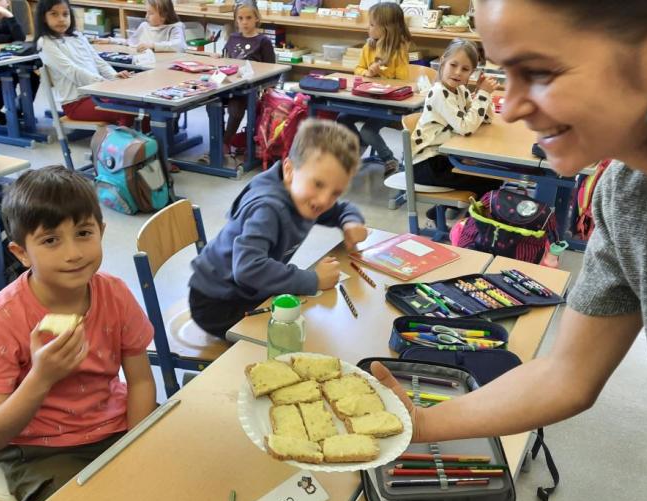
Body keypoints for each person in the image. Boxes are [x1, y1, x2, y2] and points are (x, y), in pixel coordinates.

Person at [371, 1, 647, 501]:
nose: (509, 105)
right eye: (504, 72)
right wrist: (419, 423)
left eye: (539, 71)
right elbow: (567, 374)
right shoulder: (634, 188)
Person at [0, 166, 157, 501]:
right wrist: (41, 377)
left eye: (83, 233)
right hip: (39, 450)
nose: (73, 253)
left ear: (101, 232)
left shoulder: (115, 294)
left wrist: (133, 444)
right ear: (21, 253)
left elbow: (139, 381)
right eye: (51, 240)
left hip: (116, 425)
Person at [188, 119, 369, 337]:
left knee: (312, 325)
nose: (323, 200)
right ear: (290, 169)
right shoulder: (268, 208)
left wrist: (351, 221)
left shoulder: (303, 192)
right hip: (219, 302)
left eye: (335, 193)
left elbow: (341, 209)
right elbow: (248, 269)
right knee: (297, 339)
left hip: (248, 289)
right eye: (319, 184)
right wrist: (313, 280)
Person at [410, 38, 502, 196]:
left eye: (465, 69)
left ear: (472, 73)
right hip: (426, 164)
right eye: (453, 65)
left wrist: (482, 93)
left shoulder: (461, 90)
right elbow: (465, 128)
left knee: (493, 175)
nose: (458, 72)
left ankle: (445, 211)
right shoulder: (439, 92)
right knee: (491, 181)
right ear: (443, 62)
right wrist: (483, 94)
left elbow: (485, 120)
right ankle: (470, 220)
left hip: (444, 156)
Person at [35, 0, 137, 126]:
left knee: (139, 103)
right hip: (77, 103)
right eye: (54, 14)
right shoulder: (45, 43)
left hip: (97, 92)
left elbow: (98, 61)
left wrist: (114, 76)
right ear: (43, 18)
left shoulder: (77, 36)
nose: (61, 19)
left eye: (65, 14)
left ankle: (152, 141)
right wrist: (104, 84)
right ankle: (130, 143)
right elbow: (72, 71)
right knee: (126, 110)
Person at [337, 1, 411, 175]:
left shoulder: (399, 50)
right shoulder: (367, 47)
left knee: (368, 130)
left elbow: (402, 79)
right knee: (342, 118)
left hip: (388, 105)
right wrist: (368, 72)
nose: (367, 28)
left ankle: (389, 158)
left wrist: (382, 71)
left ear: (386, 28)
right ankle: (359, 147)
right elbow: (358, 69)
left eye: (372, 25)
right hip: (367, 100)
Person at [219, 1, 275, 161]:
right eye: (240, 18)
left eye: (249, 18)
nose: (244, 22)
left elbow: (271, 69)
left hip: (249, 88)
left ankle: (226, 142)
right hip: (228, 84)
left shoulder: (263, 41)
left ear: (257, 18)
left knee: (235, 109)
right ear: (236, 20)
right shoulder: (233, 37)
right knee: (210, 101)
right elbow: (227, 60)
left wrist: (268, 87)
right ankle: (218, 137)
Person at [0, 0, 40, 125]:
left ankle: (18, 110)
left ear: (7, 3)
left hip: (9, 61)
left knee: (33, 78)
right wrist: (10, 39)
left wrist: (10, 17)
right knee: (12, 76)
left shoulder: (7, 17)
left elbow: (20, 37)